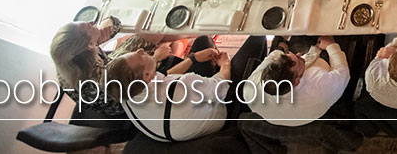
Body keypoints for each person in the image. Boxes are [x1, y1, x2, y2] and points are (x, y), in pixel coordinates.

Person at [107, 36, 264, 142]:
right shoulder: (184, 85)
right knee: (258, 39)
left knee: (203, 40)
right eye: (139, 55)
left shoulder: (126, 93)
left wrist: (193, 58)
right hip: (219, 116)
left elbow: (164, 77)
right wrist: (225, 64)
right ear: (146, 75)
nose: (140, 51)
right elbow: (221, 86)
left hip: (179, 122)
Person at [50, 20, 169, 118]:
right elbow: (136, 86)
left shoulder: (68, 59)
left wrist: (106, 26)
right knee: (152, 36)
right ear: (90, 45)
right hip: (126, 101)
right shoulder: (101, 76)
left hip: (110, 69)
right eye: (90, 26)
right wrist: (155, 59)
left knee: (148, 35)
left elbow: (115, 22)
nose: (92, 21)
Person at [242, 36, 350, 126]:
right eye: (299, 60)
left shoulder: (250, 87)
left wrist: (281, 46)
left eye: (289, 54)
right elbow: (343, 72)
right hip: (314, 105)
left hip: (286, 116)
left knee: (295, 36)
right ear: (296, 82)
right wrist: (331, 45)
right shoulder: (319, 85)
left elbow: (272, 58)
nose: (298, 54)